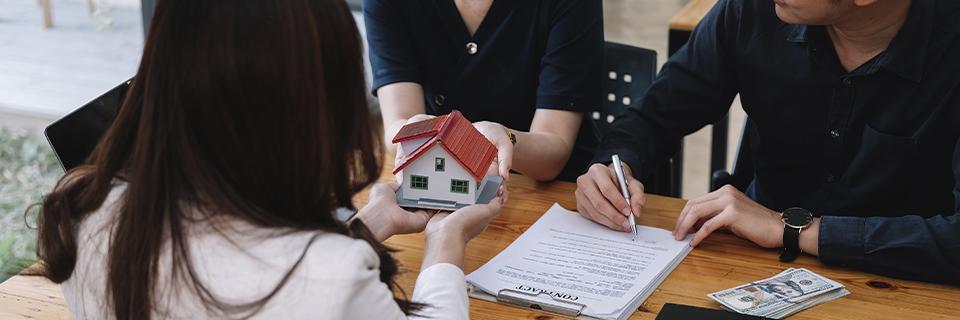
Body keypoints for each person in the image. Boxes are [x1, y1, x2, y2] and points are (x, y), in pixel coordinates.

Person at [31, 0, 503, 318]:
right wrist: (446, 242)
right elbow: (295, 282)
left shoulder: (82, 213)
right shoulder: (333, 279)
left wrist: (369, 222)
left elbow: (249, 266)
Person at [575, 0, 960, 284]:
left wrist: (792, 229)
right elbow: (653, 116)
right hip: (755, 270)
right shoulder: (752, 12)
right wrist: (614, 167)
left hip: (907, 284)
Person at [363, 0, 604, 182]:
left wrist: (502, 140)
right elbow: (398, 125)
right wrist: (416, 131)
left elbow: (554, 150)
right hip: (443, 179)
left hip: (547, 188)